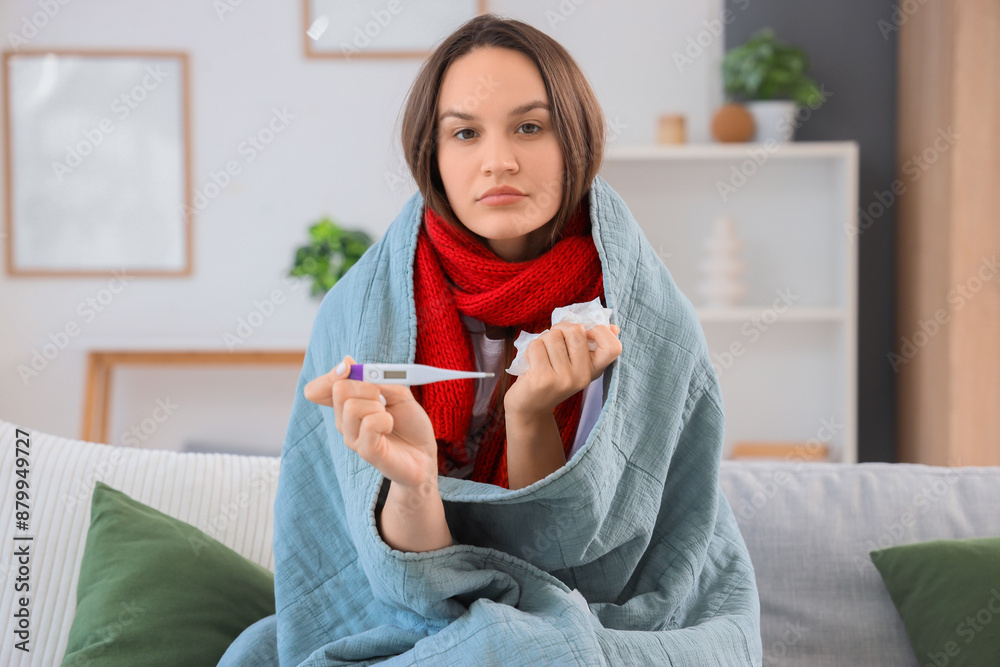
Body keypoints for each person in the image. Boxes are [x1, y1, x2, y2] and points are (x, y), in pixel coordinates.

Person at [219, 13, 761, 666]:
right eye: (465, 133)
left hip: (608, 618)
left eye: (529, 127)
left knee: (520, 643)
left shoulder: (644, 312)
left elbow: (581, 566)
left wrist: (529, 414)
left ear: (576, 140)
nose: (498, 160)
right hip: (410, 622)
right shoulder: (357, 314)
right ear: (433, 155)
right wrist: (413, 484)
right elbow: (387, 583)